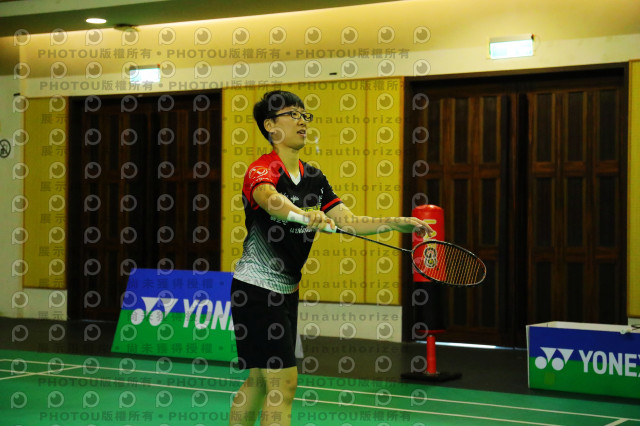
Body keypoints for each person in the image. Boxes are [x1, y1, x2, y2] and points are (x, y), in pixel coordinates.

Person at [229, 90, 434, 426]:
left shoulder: (314, 178)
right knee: (283, 383)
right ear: (270, 125)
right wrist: (303, 215)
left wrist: (396, 223)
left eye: (304, 114)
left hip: (286, 290)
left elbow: (347, 221)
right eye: (292, 114)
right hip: (256, 288)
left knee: (259, 380)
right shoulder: (261, 169)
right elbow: (270, 200)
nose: (302, 121)